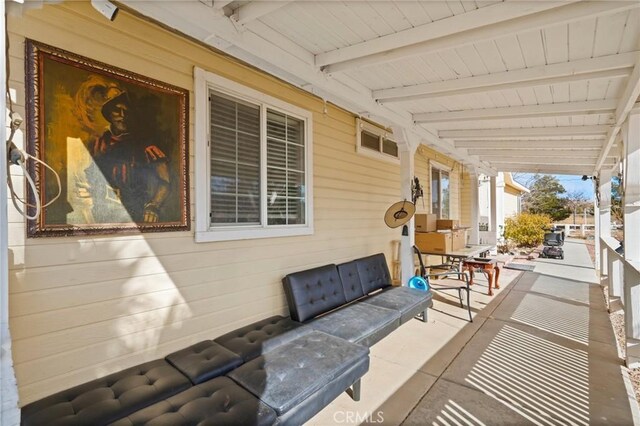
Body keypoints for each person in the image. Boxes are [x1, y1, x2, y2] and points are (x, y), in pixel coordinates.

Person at [85, 86, 170, 223]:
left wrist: (153, 206)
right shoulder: (98, 145)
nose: (122, 116)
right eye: (117, 110)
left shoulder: (145, 146)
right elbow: (87, 178)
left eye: (127, 112)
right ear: (109, 114)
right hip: (103, 214)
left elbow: (165, 183)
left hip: (137, 213)